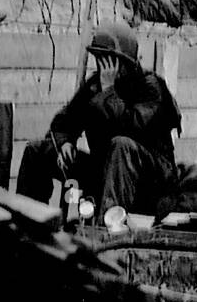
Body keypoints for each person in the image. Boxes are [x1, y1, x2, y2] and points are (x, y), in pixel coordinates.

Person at [16, 22, 181, 217]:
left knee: (121, 145)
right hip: (105, 172)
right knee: (38, 151)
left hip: (149, 181)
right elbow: (63, 121)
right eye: (100, 60)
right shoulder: (95, 86)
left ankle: (107, 227)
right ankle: (28, 224)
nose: (105, 68)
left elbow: (133, 129)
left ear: (125, 61)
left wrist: (109, 92)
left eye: (110, 61)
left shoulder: (150, 86)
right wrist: (64, 142)